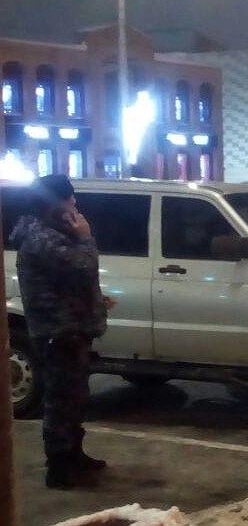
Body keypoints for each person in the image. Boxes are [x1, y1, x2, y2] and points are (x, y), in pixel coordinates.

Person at [10, 175, 112, 489]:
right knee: (60, 401)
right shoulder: (41, 238)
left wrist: (95, 301)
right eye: (69, 198)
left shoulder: (53, 234)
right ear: (54, 203)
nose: (74, 204)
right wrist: (86, 238)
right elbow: (82, 268)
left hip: (70, 328)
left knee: (74, 397)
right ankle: (59, 466)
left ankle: (73, 454)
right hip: (58, 331)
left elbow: (72, 280)